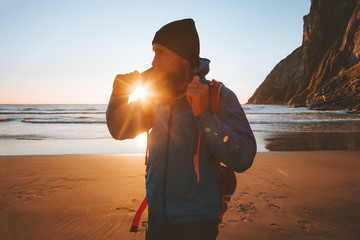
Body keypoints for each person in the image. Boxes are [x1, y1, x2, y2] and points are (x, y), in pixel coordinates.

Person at [106, 18, 256, 240]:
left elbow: (243, 157)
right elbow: (120, 130)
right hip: (157, 219)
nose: (153, 61)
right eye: (153, 52)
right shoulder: (155, 99)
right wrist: (118, 96)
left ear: (183, 58)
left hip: (197, 225)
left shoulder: (219, 96)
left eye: (160, 52)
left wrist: (204, 117)